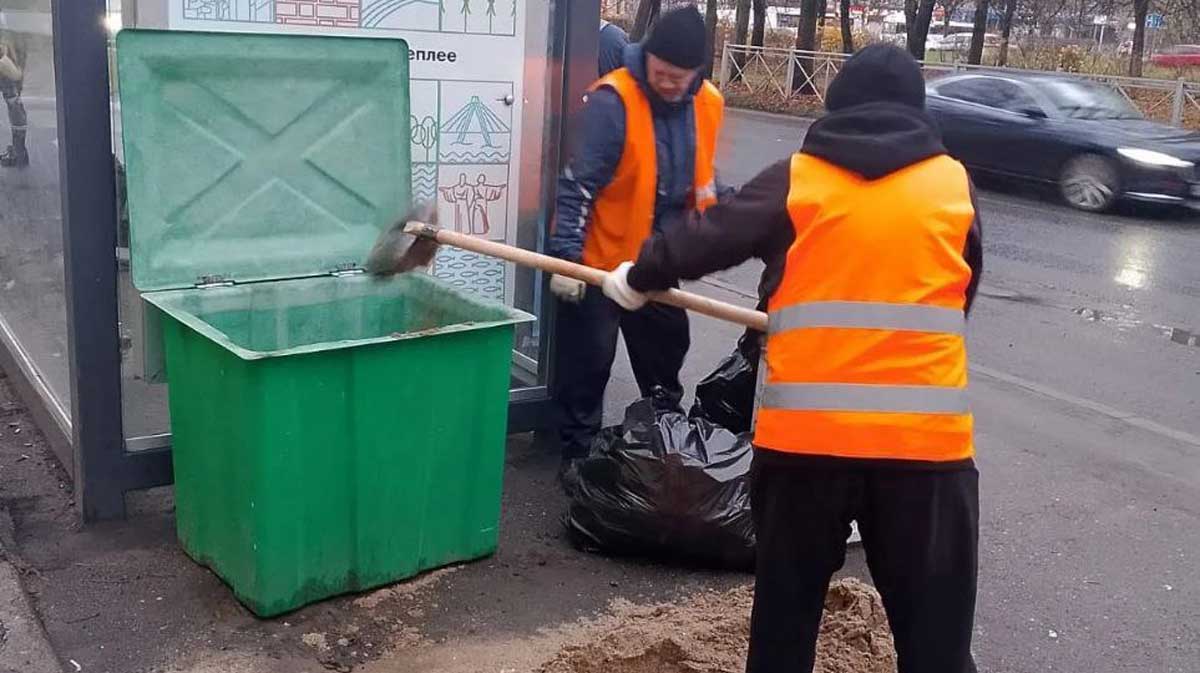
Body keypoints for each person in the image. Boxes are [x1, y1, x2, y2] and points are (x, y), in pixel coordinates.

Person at [600, 44, 984, 673]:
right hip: (926, 455)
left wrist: (638, 275)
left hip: (806, 448)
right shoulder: (954, 184)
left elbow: (709, 236)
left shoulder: (798, 177)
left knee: (785, 626)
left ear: (834, 110)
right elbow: (959, 297)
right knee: (935, 641)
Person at [548, 5, 724, 483]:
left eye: (680, 76)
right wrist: (567, 259)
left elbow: (704, 182)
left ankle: (661, 445)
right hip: (601, 265)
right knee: (587, 366)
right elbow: (578, 185)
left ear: (697, 71)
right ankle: (577, 456)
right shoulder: (614, 101)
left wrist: (722, 227)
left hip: (659, 263)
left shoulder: (708, 102)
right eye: (662, 72)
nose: (669, 83)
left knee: (665, 359)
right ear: (647, 58)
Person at [0, 26, 28, 168]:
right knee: (14, 104)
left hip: (9, 69)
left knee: (14, 104)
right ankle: (19, 150)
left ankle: (19, 151)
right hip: (10, 63)